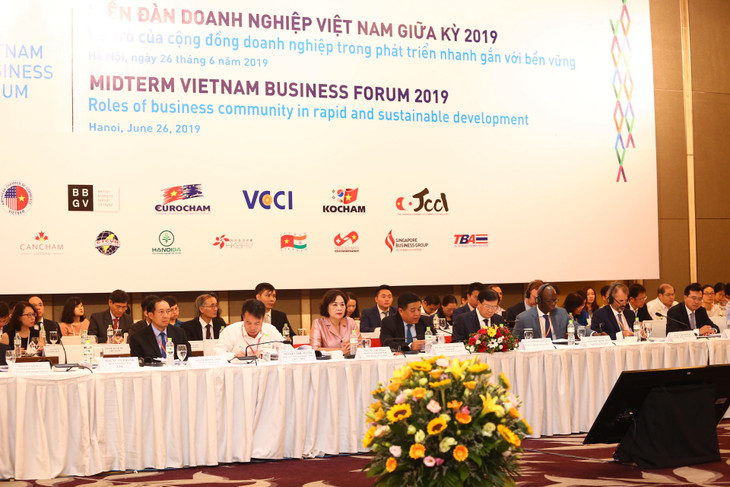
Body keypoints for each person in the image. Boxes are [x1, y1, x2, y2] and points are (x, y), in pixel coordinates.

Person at [216, 299, 284, 359]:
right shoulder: (230, 331)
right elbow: (217, 353)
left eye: (257, 323)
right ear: (243, 317)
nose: (252, 328)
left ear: (263, 319)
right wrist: (234, 355)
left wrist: (268, 353)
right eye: (248, 323)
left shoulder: (270, 330)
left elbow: (285, 350)